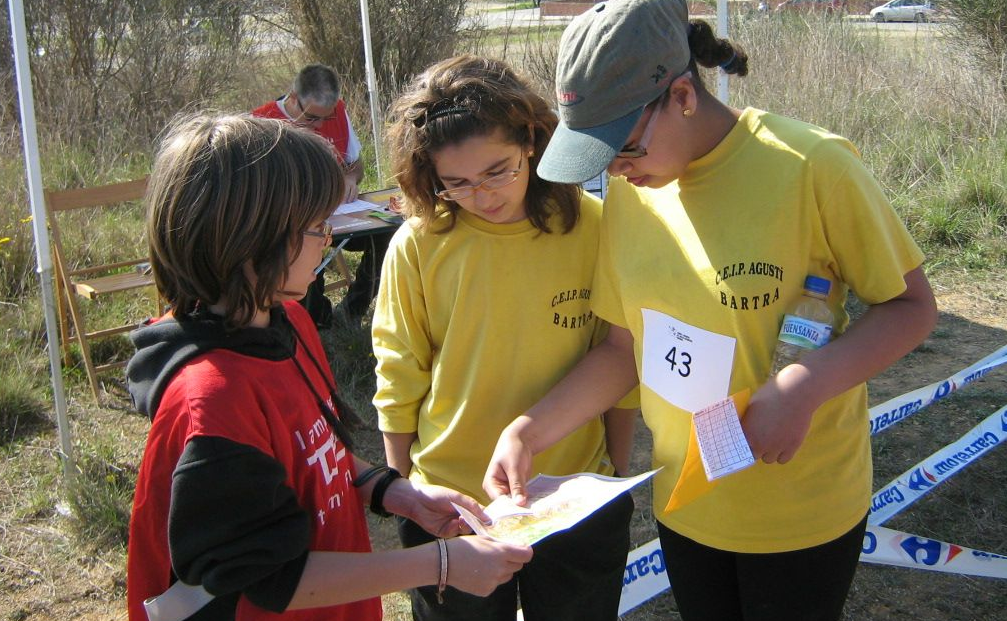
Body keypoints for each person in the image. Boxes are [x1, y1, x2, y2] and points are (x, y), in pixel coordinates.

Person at [482, 2, 938, 621]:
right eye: (603, 158)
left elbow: (910, 307)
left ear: (683, 96)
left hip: (799, 511)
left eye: (626, 148)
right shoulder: (630, 195)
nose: (616, 170)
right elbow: (623, 351)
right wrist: (527, 432)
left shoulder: (812, 166)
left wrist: (803, 388)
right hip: (686, 502)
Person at [124, 113, 532, 621]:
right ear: (252, 239)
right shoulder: (213, 400)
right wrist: (440, 562)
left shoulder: (287, 321)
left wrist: (393, 491)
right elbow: (271, 580)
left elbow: (310, 453)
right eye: (318, 225)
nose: (328, 236)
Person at [374, 54, 638, 621]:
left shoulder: (593, 227)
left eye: (499, 171)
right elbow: (398, 375)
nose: (484, 195)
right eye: (458, 184)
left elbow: (617, 361)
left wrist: (615, 473)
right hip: (454, 505)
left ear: (532, 143)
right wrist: (406, 496)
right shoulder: (418, 244)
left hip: (575, 495)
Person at [252, 63, 392, 328]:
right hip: (294, 225)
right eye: (311, 118)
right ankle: (315, 321)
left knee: (387, 232)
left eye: (325, 119)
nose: (319, 125)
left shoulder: (337, 111)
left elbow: (356, 164)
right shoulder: (261, 123)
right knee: (303, 246)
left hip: (339, 217)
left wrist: (350, 177)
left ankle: (352, 310)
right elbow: (259, 193)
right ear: (293, 98)